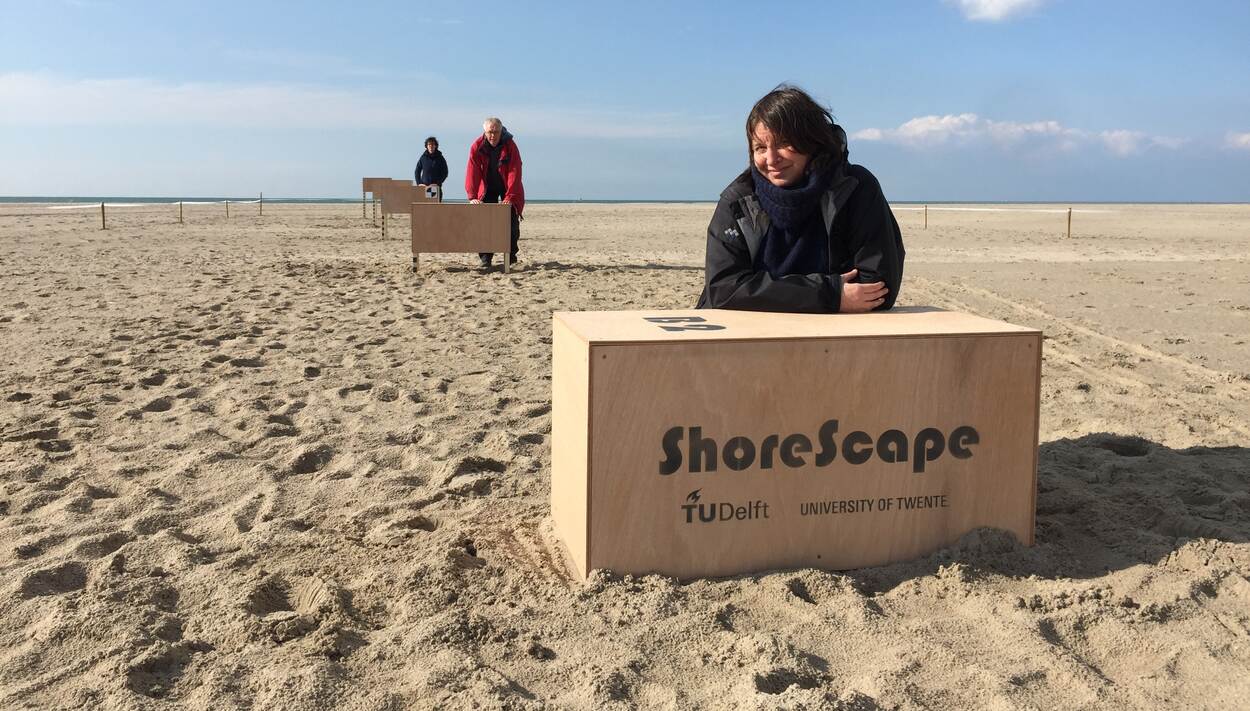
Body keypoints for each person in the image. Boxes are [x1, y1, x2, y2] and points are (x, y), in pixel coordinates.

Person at [697, 85, 904, 313]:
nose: (771, 159)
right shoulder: (739, 201)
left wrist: (763, 293)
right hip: (743, 329)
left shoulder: (854, 187)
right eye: (760, 148)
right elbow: (723, 289)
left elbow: (877, 289)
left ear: (812, 141)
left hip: (829, 330)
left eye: (783, 143)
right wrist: (829, 294)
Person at [465, 117, 524, 269]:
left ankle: (511, 256)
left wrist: (510, 197)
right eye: (489, 132)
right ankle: (486, 258)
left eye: (496, 132)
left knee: (511, 221)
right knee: (484, 222)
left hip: (508, 186)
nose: (493, 135)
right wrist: (472, 196)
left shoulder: (510, 145)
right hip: (487, 187)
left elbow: (515, 171)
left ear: (501, 131)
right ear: (484, 132)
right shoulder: (477, 146)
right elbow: (472, 171)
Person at [414, 136, 448, 201]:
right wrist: (419, 183)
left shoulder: (440, 158)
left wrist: (438, 183)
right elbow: (417, 171)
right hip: (424, 188)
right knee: (423, 206)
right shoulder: (423, 157)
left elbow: (445, 172)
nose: (431, 146)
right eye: (429, 144)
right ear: (426, 146)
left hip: (435, 188)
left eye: (432, 144)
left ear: (435, 146)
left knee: (434, 206)